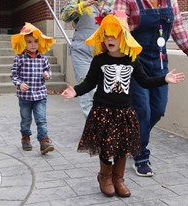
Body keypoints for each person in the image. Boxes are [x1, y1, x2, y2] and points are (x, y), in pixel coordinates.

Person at [61, 13, 184, 197]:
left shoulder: (132, 60)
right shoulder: (100, 60)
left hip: (124, 113)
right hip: (103, 111)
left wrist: (163, 79)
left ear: (124, 38)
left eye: (115, 35)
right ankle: (105, 177)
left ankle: (118, 179)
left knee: (121, 148)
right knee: (105, 146)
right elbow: (89, 82)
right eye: (107, 35)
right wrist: (76, 91)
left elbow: (145, 81)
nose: (110, 39)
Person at [114, 0, 188, 177]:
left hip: (160, 63)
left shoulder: (171, 2)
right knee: (143, 111)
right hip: (134, 61)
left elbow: (178, 30)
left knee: (158, 109)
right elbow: (118, 27)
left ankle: (132, 138)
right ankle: (140, 155)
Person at [60, 0, 115, 118]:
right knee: (87, 91)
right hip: (82, 52)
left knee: (107, 90)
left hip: (104, 51)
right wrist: (81, 6)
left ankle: (105, 126)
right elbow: (64, 16)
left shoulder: (111, 2)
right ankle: (93, 131)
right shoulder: (78, 1)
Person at [10, 22, 55, 155]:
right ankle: (25, 137)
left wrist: (47, 75)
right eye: (29, 42)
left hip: (40, 95)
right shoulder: (19, 58)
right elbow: (13, 75)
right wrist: (19, 83)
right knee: (26, 119)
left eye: (36, 41)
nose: (33, 44)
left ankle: (44, 141)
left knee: (41, 119)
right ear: (24, 43)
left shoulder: (43, 59)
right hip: (25, 97)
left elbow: (48, 71)